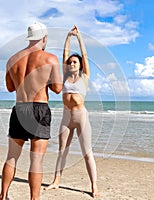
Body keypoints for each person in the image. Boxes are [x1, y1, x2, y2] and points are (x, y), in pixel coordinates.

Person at [0, 22, 62, 200]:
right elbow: (57, 89)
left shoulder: (12, 60)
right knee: (36, 160)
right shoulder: (50, 59)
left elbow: (10, 88)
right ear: (44, 38)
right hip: (39, 109)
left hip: (19, 108)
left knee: (11, 157)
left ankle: (3, 196)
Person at [45, 26, 100, 198]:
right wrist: (68, 36)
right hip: (66, 117)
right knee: (62, 150)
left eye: (74, 62)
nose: (71, 63)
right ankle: (56, 181)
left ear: (80, 65)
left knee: (87, 153)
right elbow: (64, 54)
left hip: (80, 116)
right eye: (70, 62)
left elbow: (84, 55)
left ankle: (94, 186)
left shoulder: (85, 77)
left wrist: (79, 37)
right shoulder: (65, 75)